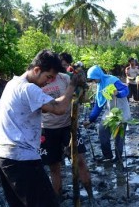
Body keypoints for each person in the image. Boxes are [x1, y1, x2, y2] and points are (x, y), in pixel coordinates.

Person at [0, 50, 83, 207]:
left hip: (2, 158)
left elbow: (53, 104)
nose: (48, 82)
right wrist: (73, 84)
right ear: (36, 70)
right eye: (48, 77)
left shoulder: (13, 84)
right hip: (21, 159)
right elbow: (60, 108)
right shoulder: (29, 89)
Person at [39, 52, 93, 201]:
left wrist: (81, 82)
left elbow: (81, 95)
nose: (52, 76)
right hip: (48, 129)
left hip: (68, 126)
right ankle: (58, 200)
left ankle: (91, 197)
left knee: (80, 161)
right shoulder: (37, 83)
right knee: (54, 167)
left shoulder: (64, 78)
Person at [84, 65, 131, 162]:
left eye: (94, 79)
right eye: (92, 80)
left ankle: (118, 158)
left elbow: (126, 90)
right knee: (102, 131)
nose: (93, 81)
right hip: (110, 112)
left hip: (121, 112)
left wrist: (118, 93)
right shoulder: (100, 86)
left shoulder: (112, 80)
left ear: (98, 75)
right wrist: (90, 120)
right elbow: (98, 105)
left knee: (119, 137)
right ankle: (107, 156)